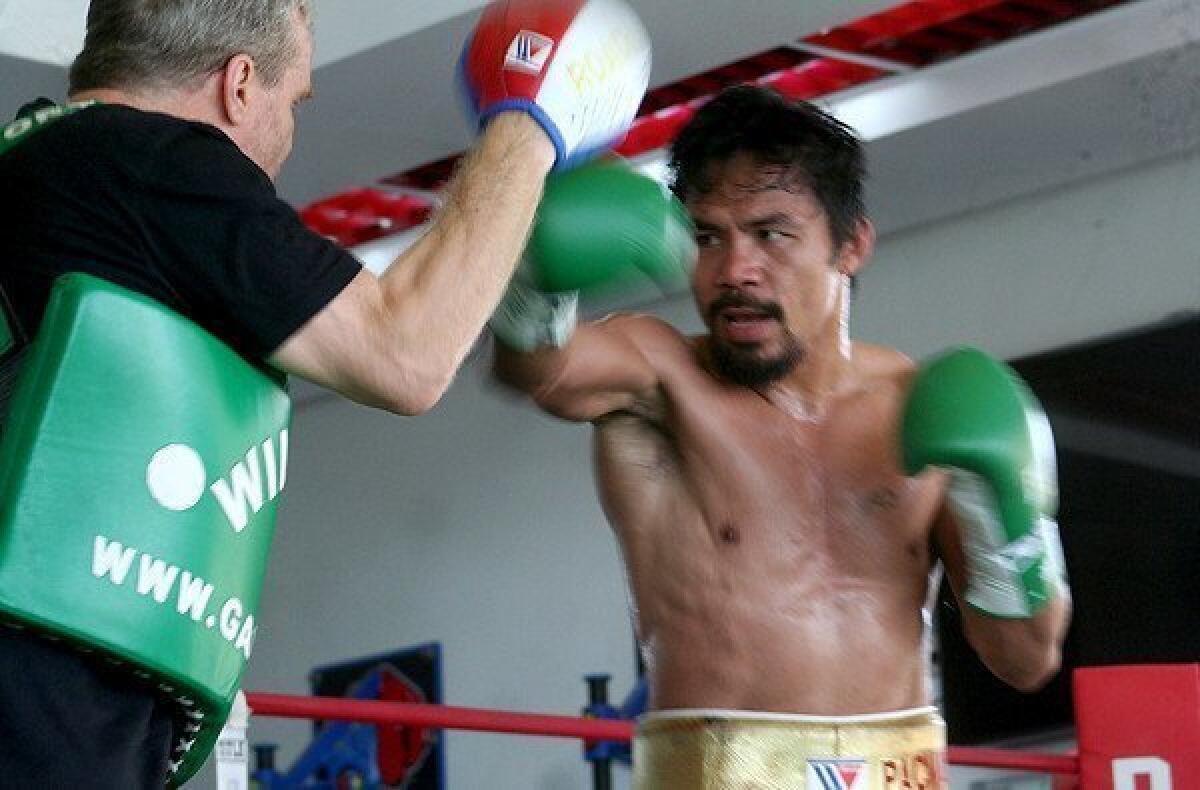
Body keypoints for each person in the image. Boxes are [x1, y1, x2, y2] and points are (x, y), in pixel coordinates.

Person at [0, 0, 650, 785]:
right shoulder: (155, 162)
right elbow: (404, 355)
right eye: (296, 100)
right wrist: (528, 121)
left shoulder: (45, 166)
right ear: (240, 86)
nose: (289, 129)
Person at [493, 85, 1072, 787]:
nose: (735, 271)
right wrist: (533, 282)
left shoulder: (920, 409)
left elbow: (1024, 660)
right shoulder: (661, 378)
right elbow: (535, 369)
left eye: (771, 234)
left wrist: (1004, 513)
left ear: (851, 245)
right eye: (709, 236)